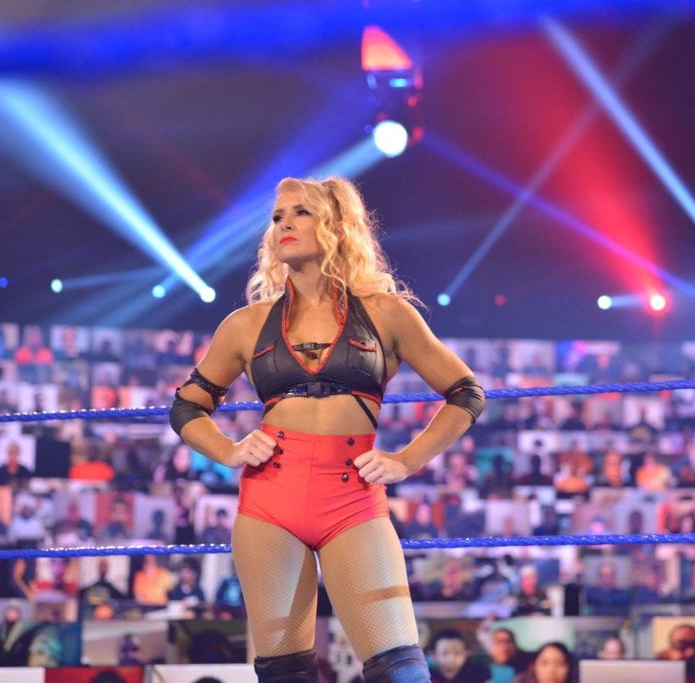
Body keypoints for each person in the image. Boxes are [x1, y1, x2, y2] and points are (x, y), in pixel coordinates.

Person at [168, 176, 485, 682]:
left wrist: (407, 460)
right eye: (277, 217)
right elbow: (186, 407)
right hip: (270, 502)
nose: (284, 224)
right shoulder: (245, 324)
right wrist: (227, 450)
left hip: (351, 498)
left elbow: (466, 392)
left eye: (300, 212)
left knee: (400, 670)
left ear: (336, 226)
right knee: (284, 674)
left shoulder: (387, 314)